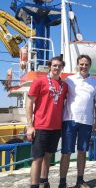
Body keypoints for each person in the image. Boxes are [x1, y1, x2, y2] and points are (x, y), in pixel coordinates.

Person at [26, 56, 68, 188]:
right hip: (40, 126)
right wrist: (29, 126)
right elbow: (29, 102)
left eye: (59, 66)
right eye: (54, 65)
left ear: (62, 68)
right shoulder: (39, 81)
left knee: (48, 157)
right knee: (37, 158)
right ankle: (34, 185)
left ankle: (44, 181)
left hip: (56, 127)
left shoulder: (64, 85)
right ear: (50, 66)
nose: (57, 68)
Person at [59, 55, 96, 188]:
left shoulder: (94, 82)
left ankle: (80, 180)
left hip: (86, 122)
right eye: (81, 64)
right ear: (77, 64)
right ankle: (62, 182)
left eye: (86, 64)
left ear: (90, 66)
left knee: (82, 151)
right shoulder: (69, 80)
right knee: (66, 152)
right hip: (70, 120)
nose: (84, 67)